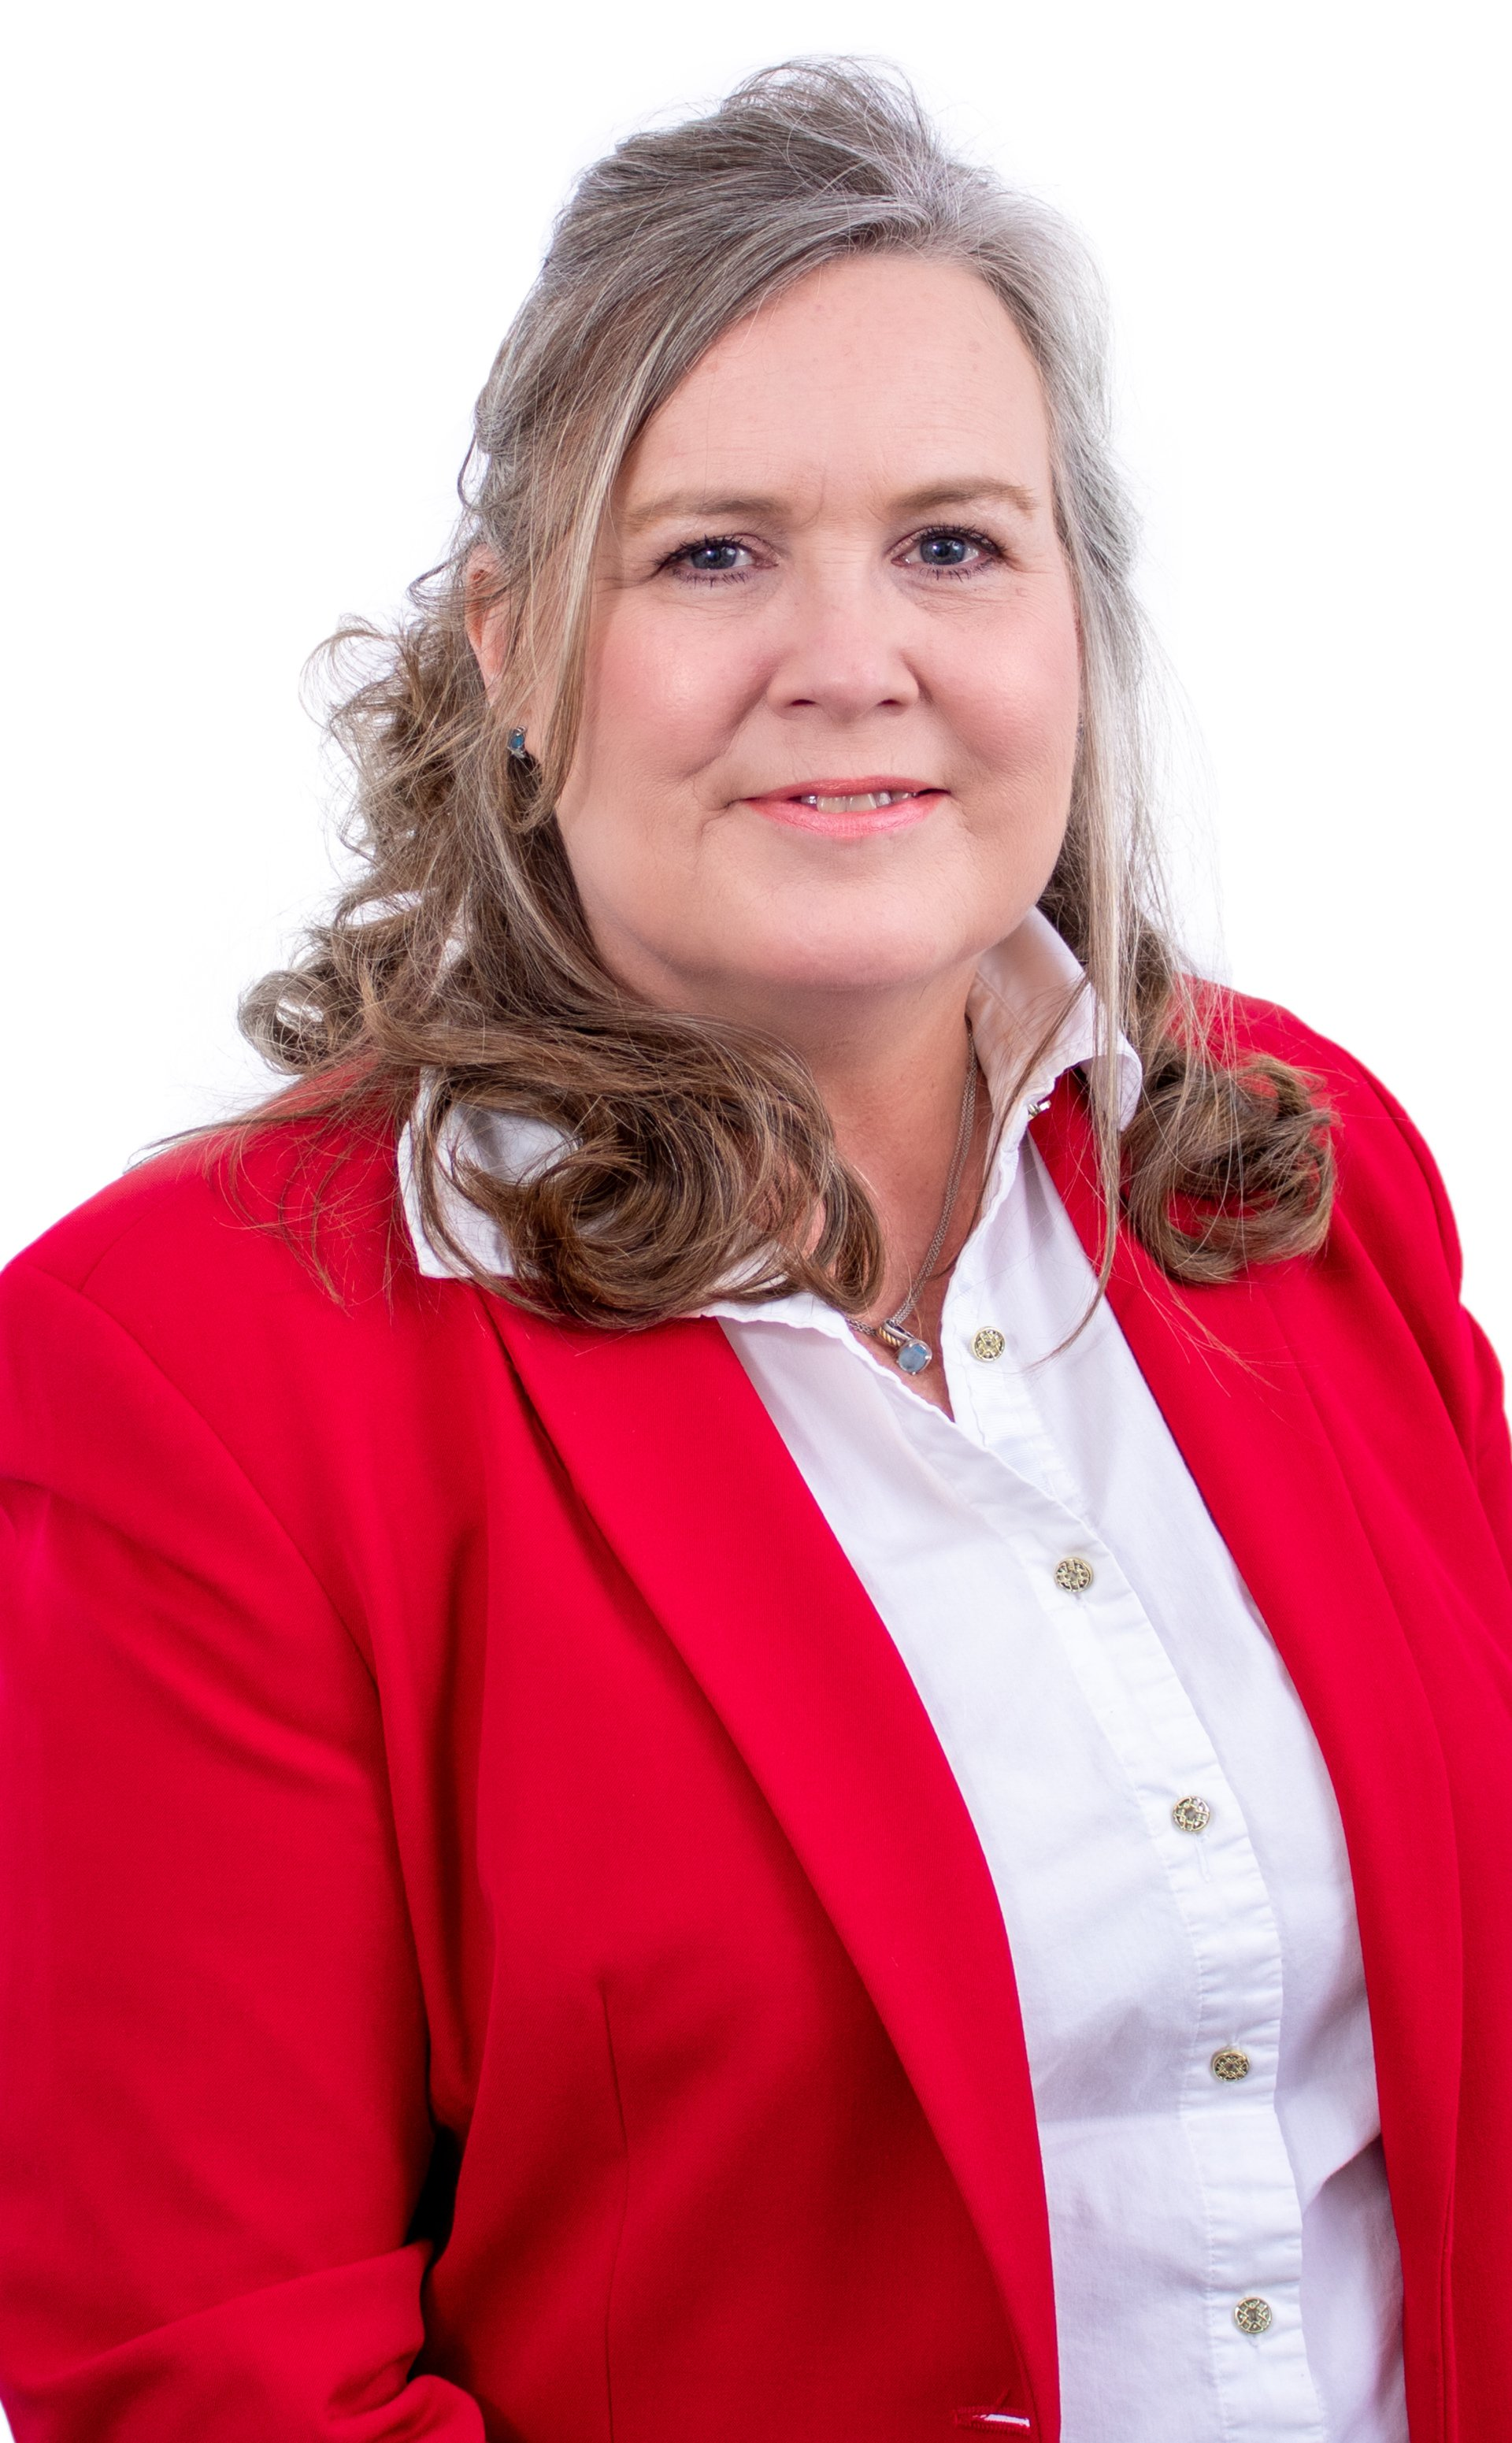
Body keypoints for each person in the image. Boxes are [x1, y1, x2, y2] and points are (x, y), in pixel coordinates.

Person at [0, 57, 1507, 2443]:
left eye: (954, 543)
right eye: (712, 551)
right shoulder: (196, 1368)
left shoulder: (1300, 1180)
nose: (853, 657)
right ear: (510, 643)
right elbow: (215, 2387)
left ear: (1076, 627)